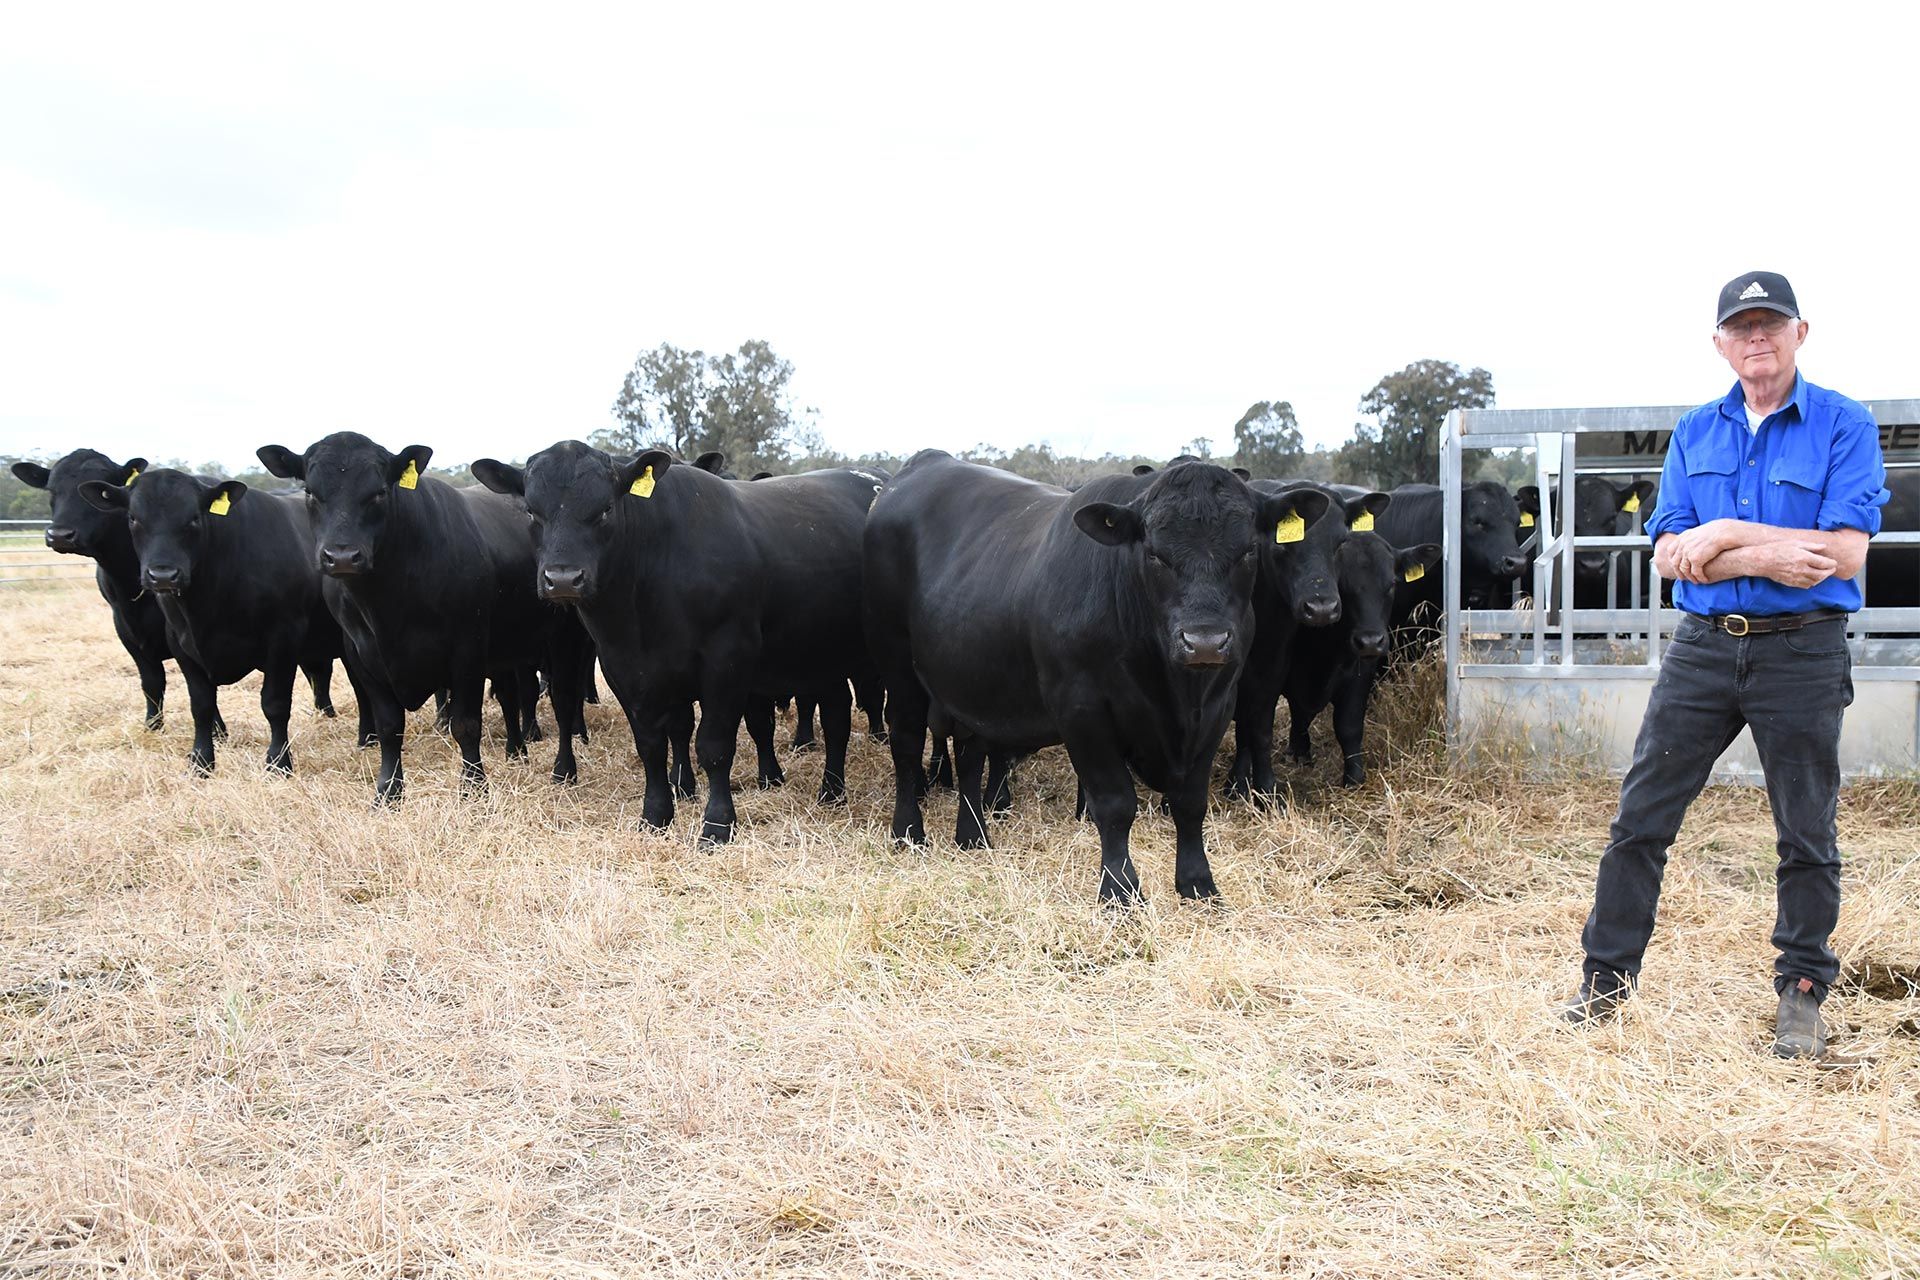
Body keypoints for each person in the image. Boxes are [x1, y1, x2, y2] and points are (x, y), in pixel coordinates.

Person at [1564, 270, 1889, 1058]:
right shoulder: (1694, 431)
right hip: (1704, 652)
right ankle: (1605, 982)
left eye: (1771, 324)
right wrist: (1768, 550)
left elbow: (1842, 553)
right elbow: (1673, 556)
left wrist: (1727, 533)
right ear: (1721, 344)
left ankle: (1802, 993)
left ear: (1799, 334)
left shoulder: (1844, 424)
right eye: (1741, 328)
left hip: (1802, 652)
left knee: (1805, 830)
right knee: (1641, 819)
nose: (1757, 339)